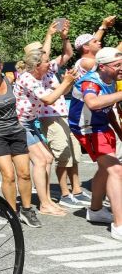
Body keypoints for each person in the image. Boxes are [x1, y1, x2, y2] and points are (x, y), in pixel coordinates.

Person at [13, 50, 77, 216]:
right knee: (41, 161)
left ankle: (47, 201)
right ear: (36, 65)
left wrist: (68, 82)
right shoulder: (27, 78)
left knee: (48, 158)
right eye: (47, 61)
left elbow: (60, 92)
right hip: (19, 123)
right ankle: (44, 204)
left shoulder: (43, 76)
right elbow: (48, 99)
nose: (50, 64)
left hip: (29, 122)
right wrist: (66, 83)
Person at [32, 22, 89, 207]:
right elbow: (49, 98)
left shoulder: (50, 70)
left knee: (73, 152)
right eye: (43, 57)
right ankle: (65, 193)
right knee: (63, 154)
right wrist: (49, 35)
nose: (47, 59)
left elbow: (68, 54)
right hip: (50, 117)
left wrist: (64, 37)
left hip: (63, 114)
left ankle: (77, 189)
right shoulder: (34, 76)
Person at [69, 47, 122, 239]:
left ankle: (96, 210)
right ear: (103, 66)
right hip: (87, 128)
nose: (121, 68)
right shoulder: (90, 82)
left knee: (105, 169)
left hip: (101, 124)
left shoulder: (112, 80)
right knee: (116, 170)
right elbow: (93, 103)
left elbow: (108, 109)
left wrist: (119, 132)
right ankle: (119, 225)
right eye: (117, 65)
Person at [0, 51, 40, 227]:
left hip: (16, 132)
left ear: (1, 65)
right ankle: (11, 211)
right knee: (8, 175)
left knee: (24, 173)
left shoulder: (10, 80)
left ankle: (26, 209)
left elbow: (35, 64)